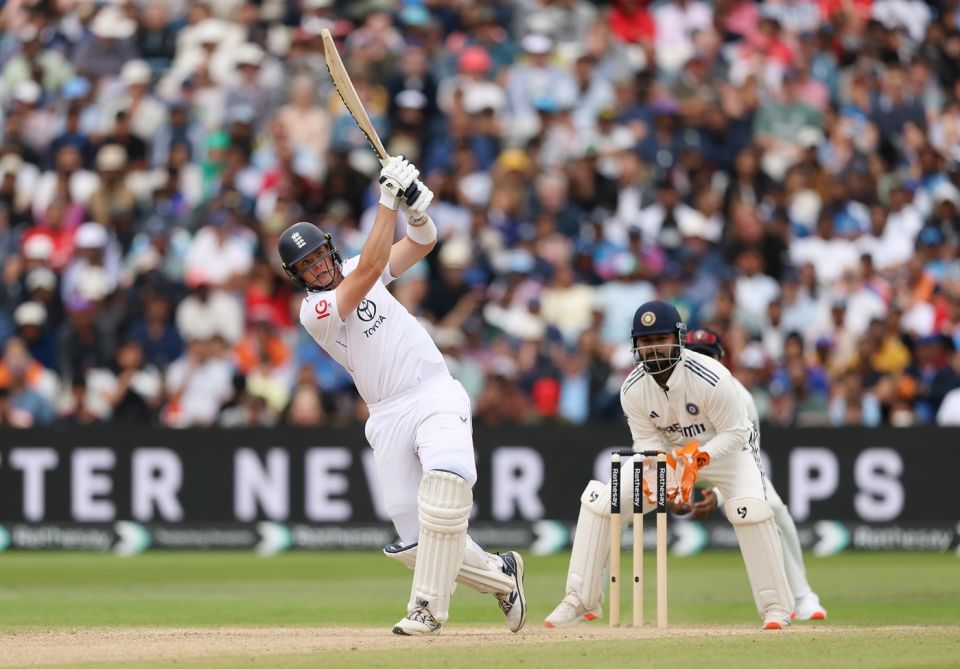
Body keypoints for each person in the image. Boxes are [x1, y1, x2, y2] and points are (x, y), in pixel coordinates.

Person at [278, 156, 525, 637]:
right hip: (387, 414)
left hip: (433, 391)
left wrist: (414, 211)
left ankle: (427, 609)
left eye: (318, 257)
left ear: (329, 250)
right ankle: (501, 575)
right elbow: (370, 267)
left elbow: (422, 243)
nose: (317, 268)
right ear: (299, 277)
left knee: (445, 488)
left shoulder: (353, 267)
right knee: (415, 541)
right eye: (306, 267)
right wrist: (387, 199)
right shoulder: (317, 311)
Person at [544, 299, 794, 630]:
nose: (653, 350)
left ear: (678, 339)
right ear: (636, 346)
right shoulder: (632, 390)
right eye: (646, 343)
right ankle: (580, 598)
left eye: (660, 340)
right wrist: (669, 487)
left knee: (750, 510)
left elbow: (737, 434)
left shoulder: (712, 377)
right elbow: (647, 447)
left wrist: (698, 459)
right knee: (604, 501)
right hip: (672, 459)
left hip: (727, 456)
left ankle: (776, 606)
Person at [680, 327, 827, 621]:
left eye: (707, 357)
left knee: (772, 507)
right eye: (694, 357)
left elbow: (750, 457)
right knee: (623, 498)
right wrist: (672, 486)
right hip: (682, 464)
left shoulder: (741, 398)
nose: (701, 363)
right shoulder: (669, 392)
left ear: (721, 360)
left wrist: (720, 494)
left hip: (730, 465)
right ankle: (589, 595)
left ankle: (802, 596)